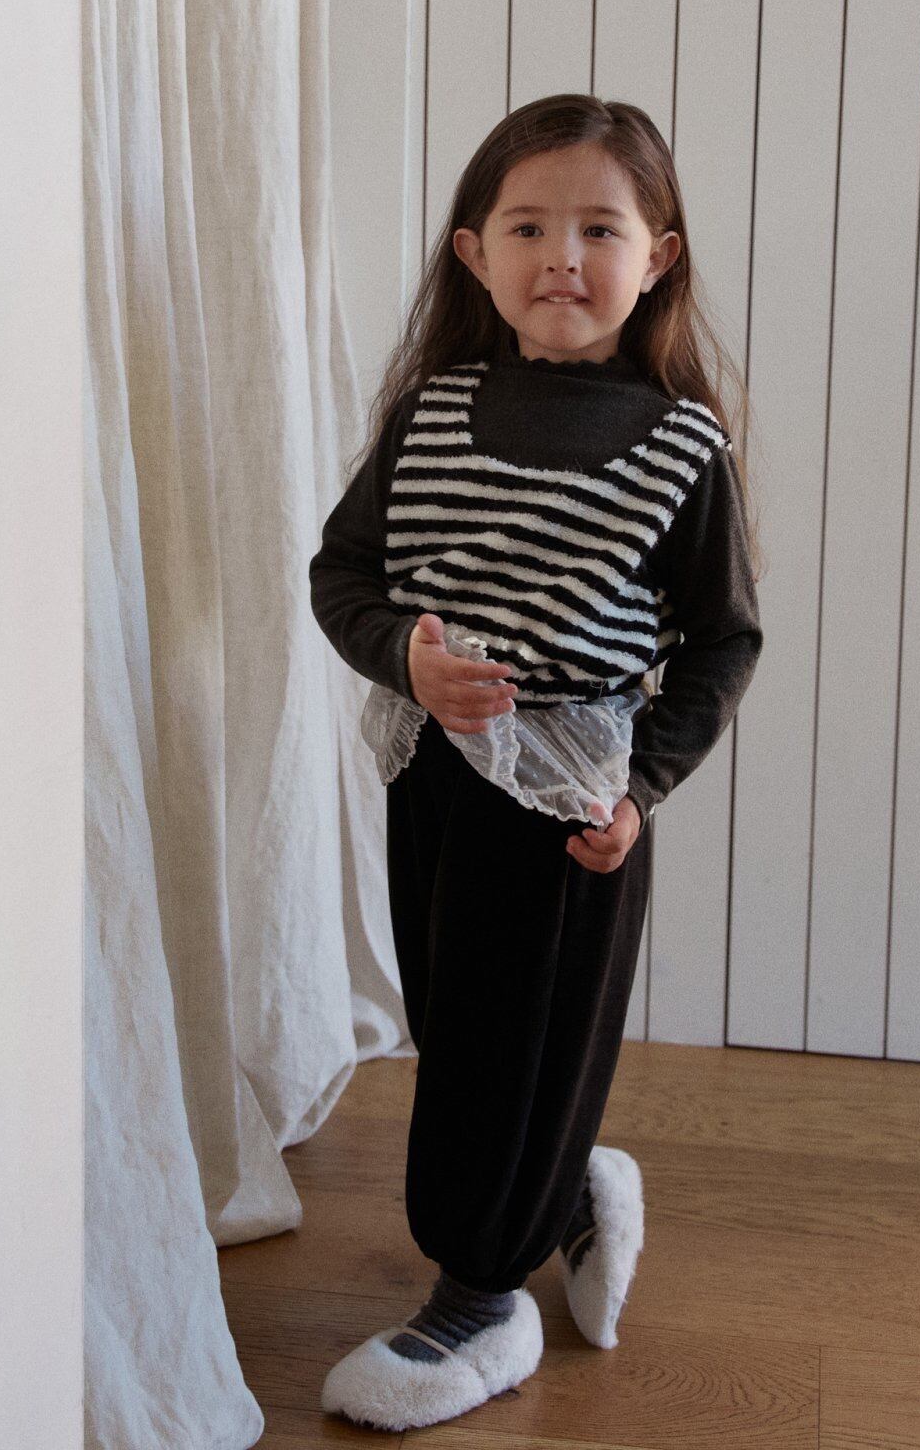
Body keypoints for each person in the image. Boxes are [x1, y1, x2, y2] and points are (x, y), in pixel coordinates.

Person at [308, 93, 764, 1432]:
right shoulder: (430, 412)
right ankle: (562, 1190)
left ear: (658, 257)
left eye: (599, 230)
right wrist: (406, 662)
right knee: (460, 1031)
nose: (562, 256)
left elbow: (723, 641)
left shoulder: (679, 447)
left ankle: (480, 1296)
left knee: (516, 1043)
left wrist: (639, 788)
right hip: (433, 773)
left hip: (570, 801)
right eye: (527, 227)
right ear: (473, 253)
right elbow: (344, 574)